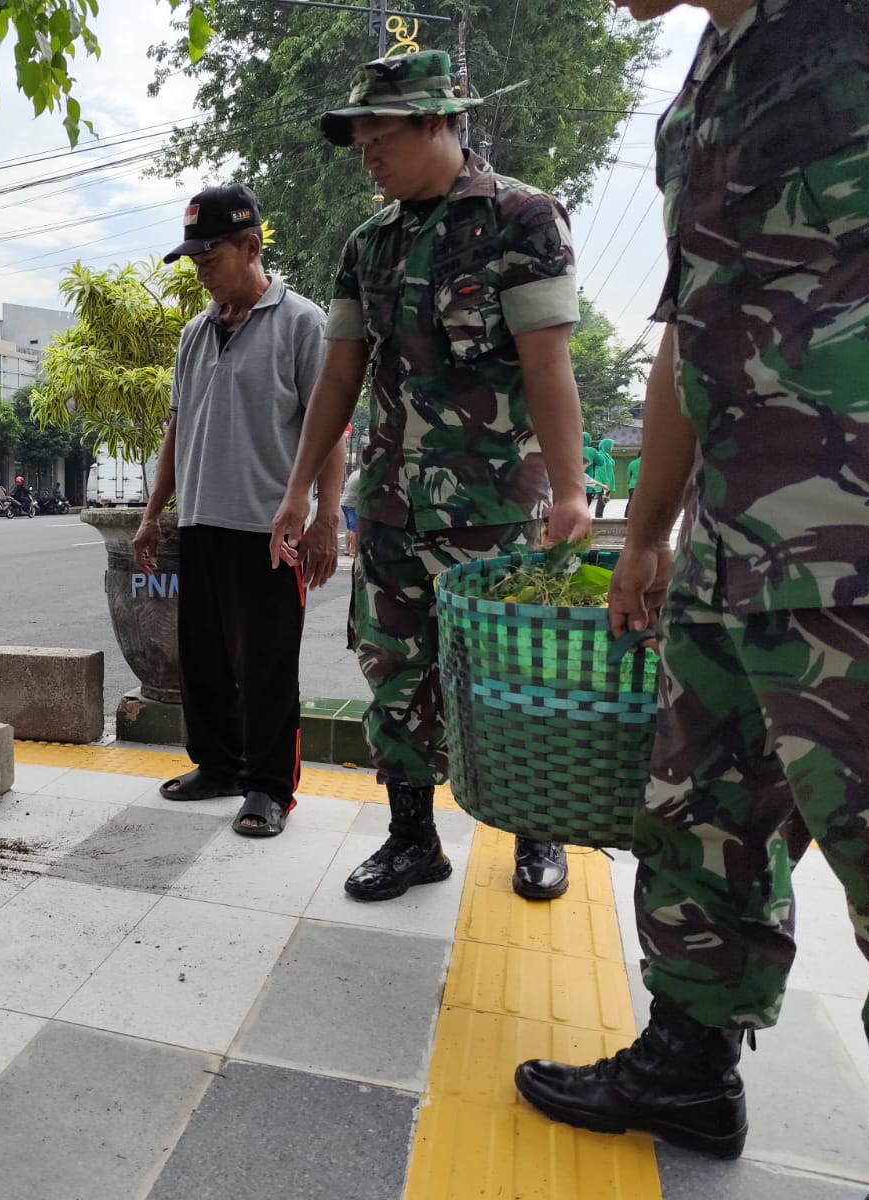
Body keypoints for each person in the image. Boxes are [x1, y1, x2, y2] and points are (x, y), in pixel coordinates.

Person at [515, 0, 869, 1159]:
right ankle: (686, 1069)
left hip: (854, 543)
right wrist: (647, 531)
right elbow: (689, 320)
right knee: (696, 817)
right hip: (730, 548)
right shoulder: (703, 84)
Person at [270, 50, 593, 899]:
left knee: (510, 671)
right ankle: (414, 838)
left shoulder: (523, 218)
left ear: (442, 123)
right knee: (393, 671)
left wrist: (568, 491)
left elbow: (548, 363)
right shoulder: (366, 242)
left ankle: (536, 832)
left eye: (382, 136)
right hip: (389, 504)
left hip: (490, 505)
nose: (367, 154)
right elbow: (340, 375)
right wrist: (304, 488)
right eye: (360, 139)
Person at [135, 182, 343, 839]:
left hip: (268, 530)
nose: (201, 272)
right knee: (204, 659)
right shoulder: (194, 336)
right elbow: (176, 427)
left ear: (251, 246)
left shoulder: (303, 323)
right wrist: (153, 512)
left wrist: (326, 517)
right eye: (194, 261)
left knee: (267, 665)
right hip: (200, 522)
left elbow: (330, 426)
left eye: (211, 258)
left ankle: (269, 787)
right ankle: (220, 766)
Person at [591, 436, 617, 517]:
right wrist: (607, 483)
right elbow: (601, 470)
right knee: (601, 502)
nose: (612, 447)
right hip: (603, 483)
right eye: (611, 446)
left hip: (607, 483)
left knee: (604, 502)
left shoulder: (607, 455)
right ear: (607, 446)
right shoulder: (601, 455)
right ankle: (598, 521)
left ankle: (599, 518)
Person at [339, 466, 361, 558]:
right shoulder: (362, 476)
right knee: (354, 528)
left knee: (349, 526)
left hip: (344, 502)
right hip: (351, 503)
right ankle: (353, 550)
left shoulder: (355, 473)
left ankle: (347, 549)